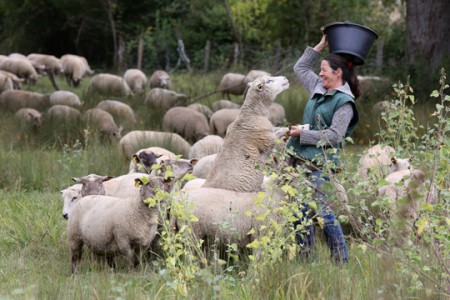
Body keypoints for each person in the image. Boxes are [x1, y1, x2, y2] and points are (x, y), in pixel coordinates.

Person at [286, 34, 360, 264]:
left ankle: (341, 263)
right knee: (299, 216)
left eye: (324, 69)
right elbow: (300, 67)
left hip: (322, 166)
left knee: (325, 216)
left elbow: (335, 136)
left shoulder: (345, 103)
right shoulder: (319, 86)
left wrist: (302, 134)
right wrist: (321, 46)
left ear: (338, 73)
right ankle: (306, 262)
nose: (320, 73)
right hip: (300, 161)